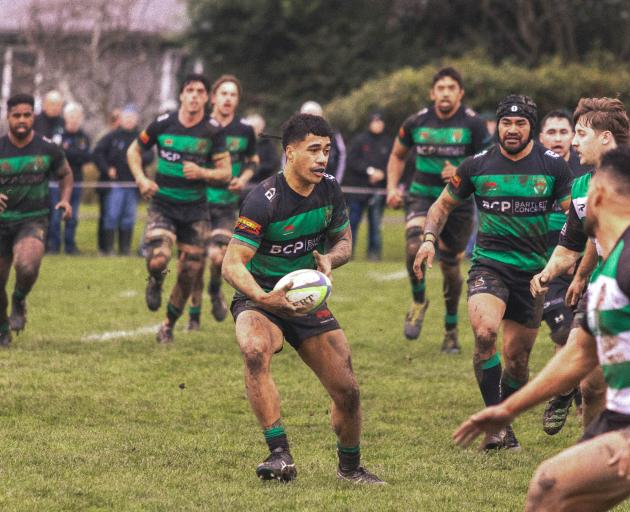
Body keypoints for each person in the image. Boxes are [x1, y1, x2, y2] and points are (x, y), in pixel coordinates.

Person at [454, 147, 630, 511]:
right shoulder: (608, 265)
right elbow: (580, 353)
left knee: (549, 487)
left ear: (597, 196)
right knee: (553, 490)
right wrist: (508, 409)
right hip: (618, 417)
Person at [222, 113, 384, 484]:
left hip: (307, 301)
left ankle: (350, 468)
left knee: (347, 390)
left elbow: (344, 242)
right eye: (313, 150)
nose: (322, 159)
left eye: (326, 150)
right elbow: (231, 264)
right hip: (261, 295)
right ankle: (279, 454)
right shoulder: (264, 200)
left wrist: (330, 258)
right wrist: (265, 298)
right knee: (254, 349)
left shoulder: (329, 189)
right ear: (290, 152)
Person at [415, 94, 573, 449]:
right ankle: (497, 426)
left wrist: (576, 256)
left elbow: (574, 218)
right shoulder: (476, 165)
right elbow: (440, 207)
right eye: (506, 122)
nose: (512, 129)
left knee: (517, 361)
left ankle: (504, 420)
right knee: (485, 333)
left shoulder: (552, 167)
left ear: (531, 127)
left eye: (520, 123)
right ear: (497, 125)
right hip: (490, 265)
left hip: (533, 274)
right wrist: (428, 239)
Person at [531, 98, 630, 432]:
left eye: (581, 133)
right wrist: (554, 272)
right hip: (602, 288)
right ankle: (594, 451)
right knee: (589, 384)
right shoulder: (579, 188)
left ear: (605, 137)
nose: (573, 142)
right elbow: (574, 244)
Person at [386, 66, 488, 351]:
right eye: (440, 88)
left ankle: (451, 328)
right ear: (432, 93)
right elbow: (397, 155)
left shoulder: (474, 124)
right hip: (421, 196)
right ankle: (419, 301)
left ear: (460, 93)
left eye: (451, 88)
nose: (445, 93)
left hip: (458, 202)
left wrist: (460, 172)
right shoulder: (417, 122)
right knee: (412, 248)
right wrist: (392, 187)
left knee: (451, 269)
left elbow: (489, 162)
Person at [127, 73, 231, 344]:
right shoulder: (164, 123)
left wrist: (202, 172)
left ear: (206, 98)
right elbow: (133, 151)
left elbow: (226, 173)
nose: (195, 95)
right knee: (159, 258)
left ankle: (167, 326)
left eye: (200, 91)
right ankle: (156, 280)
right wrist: (141, 179)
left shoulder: (213, 130)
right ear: (182, 95)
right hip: (163, 204)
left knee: (189, 272)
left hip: (196, 211)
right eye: (190, 90)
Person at [0, 93, 73, 347]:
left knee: (28, 265)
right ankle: (2, 330)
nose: (22, 120)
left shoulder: (47, 148)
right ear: (8, 117)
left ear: (34, 116)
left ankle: (19, 299)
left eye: (27, 115)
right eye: (16, 115)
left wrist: (65, 199)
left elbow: (65, 174)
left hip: (33, 220)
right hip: (1, 222)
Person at [187, 75, 258, 330]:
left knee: (217, 257)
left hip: (227, 205)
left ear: (237, 101)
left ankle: (215, 288)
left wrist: (243, 178)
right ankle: (194, 315)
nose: (228, 99)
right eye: (223, 94)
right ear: (213, 98)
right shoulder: (200, 127)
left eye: (233, 95)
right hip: (198, 203)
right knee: (194, 262)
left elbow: (253, 161)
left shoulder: (244, 130)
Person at [536, 109, 590, 434]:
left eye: (563, 132)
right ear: (541, 137)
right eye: (551, 132)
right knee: (563, 332)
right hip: (550, 268)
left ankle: (575, 393)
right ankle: (571, 389)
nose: (558, 138)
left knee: (579, 338)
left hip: (585, 266)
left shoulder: (586, 174)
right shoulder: (534, 174)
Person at [94, 105, 153, 255]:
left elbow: (150, 155)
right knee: (112, 216)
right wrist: (107, 169)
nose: (129, 121)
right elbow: (97, 153)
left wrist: (138, 161)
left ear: (136, 120)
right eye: (126, 118)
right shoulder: (112, 136)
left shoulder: (141, 137)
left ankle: (124, 249)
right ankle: (108, 249)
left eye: (132, 118)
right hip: (115, 184)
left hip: (133, 184)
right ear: (121, 120)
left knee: (128, 217)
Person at [344, 112, 392, 260]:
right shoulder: (360, 140)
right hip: (358, 190)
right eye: (375, 121)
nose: (378, 124)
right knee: (353, 223)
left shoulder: (388, 142)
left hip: (378, 191)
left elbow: (393, 163)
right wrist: (369, 171)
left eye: (380, 121)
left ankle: (374, 254)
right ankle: (346, 253)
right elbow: (352, 161)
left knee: (375, 224)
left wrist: (382, 174)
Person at [47, 102, 90, 255]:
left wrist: (69, 152)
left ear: (80, 118)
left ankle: (70, 246)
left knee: (73, 216)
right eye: (71, 116)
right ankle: (54, 246)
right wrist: (73, 154)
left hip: (76, 182)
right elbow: (56, 155)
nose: (73, 119)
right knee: (56, 215)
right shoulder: (58, 134)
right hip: (57, 182)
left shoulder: (84, 137)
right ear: (65, 117)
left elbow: (86, 157)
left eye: (76, 116)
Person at [299, 101, 346, 182]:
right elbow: (287, 158)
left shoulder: (333, 134)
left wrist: (335, 182)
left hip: (325, 185)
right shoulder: (295, 134)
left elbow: (341, 157)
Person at [246, 113, 281, 184]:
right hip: (244, 182)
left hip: (263, 182)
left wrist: (256, 169)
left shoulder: (268, 144)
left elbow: (273, 163)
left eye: (255, 128)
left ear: (261, 128)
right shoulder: (245, 143)